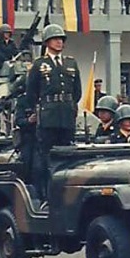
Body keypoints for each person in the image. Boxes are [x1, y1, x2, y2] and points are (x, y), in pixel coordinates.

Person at [26, 24, 82, 199]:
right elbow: (31, 92)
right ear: (47, 42)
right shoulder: (39, 65)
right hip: (48, 117)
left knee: (67, 156)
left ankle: (66, 194)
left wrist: (70, 106)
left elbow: (77, 91)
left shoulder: (71, 63)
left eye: (61, 39)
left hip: (66, 116)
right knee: (46, 159)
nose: (59, 42)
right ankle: (45, 195)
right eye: (55, 39)